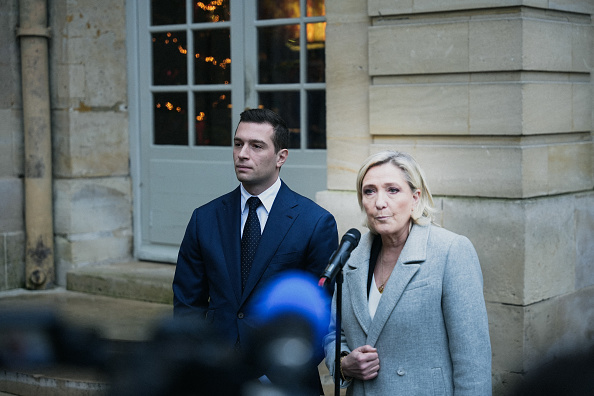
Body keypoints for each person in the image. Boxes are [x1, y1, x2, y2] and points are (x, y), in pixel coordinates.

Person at [173, 108, 339, 394]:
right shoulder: (204, 218)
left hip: (284, 381)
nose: (242, 153)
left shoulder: (315, 222)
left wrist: (281, 366)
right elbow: (188, 306)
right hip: (216, 377)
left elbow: (321, 314)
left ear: (281, 157)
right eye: (238, 143)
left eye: (256, 146)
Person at [323, 150, 491, 395]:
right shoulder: (352, 257)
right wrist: (344, 363)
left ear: (415, 198)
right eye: (369, 191)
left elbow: (472, 360)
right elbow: (333, 334)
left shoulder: (450, 251)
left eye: (392, 190)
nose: (380, 202)